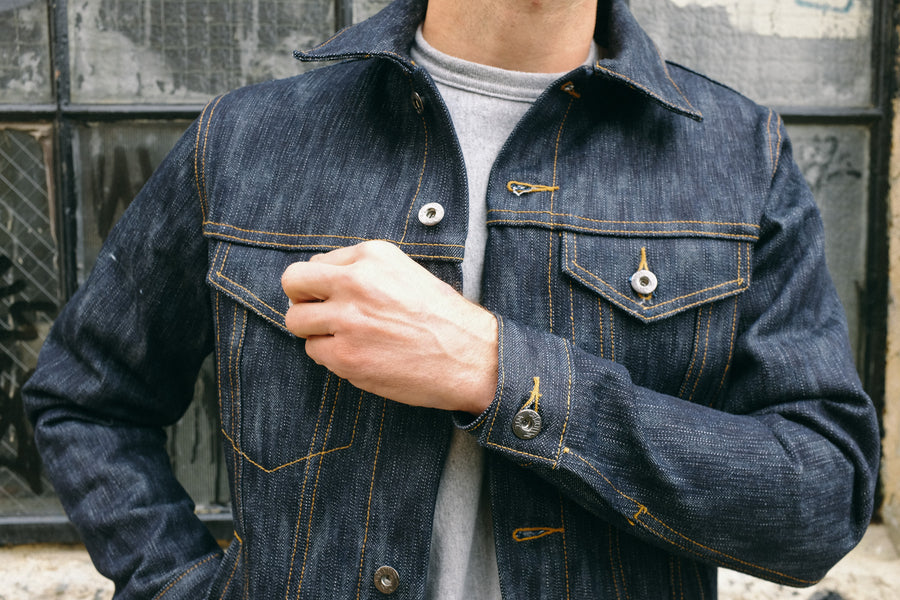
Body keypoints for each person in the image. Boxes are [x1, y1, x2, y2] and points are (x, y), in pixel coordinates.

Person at [23, 0, 880, 598]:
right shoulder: (246, 142)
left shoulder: (737, 158)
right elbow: (85, 399)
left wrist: (499, 373)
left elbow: (821, 500)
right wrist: (181, 584)